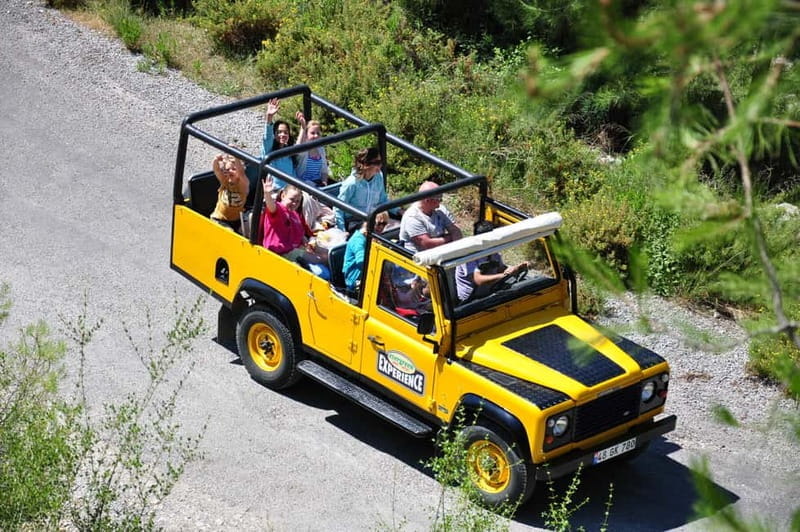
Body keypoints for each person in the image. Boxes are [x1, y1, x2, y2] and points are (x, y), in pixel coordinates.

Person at [260, 176, 330, 279]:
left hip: (294, 250)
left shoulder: (295, 215)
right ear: (283, 195)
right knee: (320, 259)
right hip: (281, 253)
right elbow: (271, 206)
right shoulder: (278, 209)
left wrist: (309, 244)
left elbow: (301, 235)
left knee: (326, 254)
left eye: (297, 201)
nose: (294, 204)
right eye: (292, 199)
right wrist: (267, 194)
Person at [455, 221, 529, 302]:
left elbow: (501, 268)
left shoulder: (493, 253)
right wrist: (504, 275)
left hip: (490, 293)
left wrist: (517, 268)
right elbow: (478, 280)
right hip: (471, 302)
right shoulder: (468, 256)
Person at [334, 147, 397, 232]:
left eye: (381, 162)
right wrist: (341, 231)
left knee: (396, 226)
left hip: (372, 218)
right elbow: (338, 207)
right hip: (354, 221)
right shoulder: (352, 183)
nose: (380, 165)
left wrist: (398, 211)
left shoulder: (378, 177)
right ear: (366, 164)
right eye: (377, 163)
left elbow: (382, 200)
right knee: (373, 230)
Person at [399, 181, 462, 252]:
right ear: (427, 200)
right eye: (439, 199)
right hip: (417, 258)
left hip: (441, 253)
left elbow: (456, 231)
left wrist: (457, 249)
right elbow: (427, 244)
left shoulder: (441, 210)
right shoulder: (412, 217)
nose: (441, 201)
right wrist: (450, 238)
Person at [342, 211, 389, 293]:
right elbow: (361, 262)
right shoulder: (358, 240)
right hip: (356, 280)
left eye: (384, 224)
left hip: (370, 275)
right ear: (369, 222)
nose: (381, 227)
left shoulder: (373, 236)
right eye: (378, 223)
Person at [260, 98, 296, 192]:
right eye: (279, 132)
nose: (283, 135)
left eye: (285, 132)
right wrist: (269, 117)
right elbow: (267, 137)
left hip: (291, 192)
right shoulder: (270, 150)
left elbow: (294, 176)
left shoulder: (289, 154)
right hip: (276, 191)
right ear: (274, 135)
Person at [210, 152, 249, 233]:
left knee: (248, 232)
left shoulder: (243, 184)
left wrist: (236, 155)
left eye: (233, 169)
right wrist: (216, 160)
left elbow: (241, 173)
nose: (230, 171)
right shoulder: (225, 181)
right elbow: (216, 170)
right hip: (219, 219)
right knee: (229, 232)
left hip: (237, 220)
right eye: (227, 170)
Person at [294, 111, 330, 187]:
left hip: (317, 184)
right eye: (312, 133)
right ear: (306, 134)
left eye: (318, 133)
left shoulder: (321, 149)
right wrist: (303, 127)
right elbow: (298, 148)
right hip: (304, 185)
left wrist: (324, 183)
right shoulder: (305, 149)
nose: (316, 136)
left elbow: (324, 170)